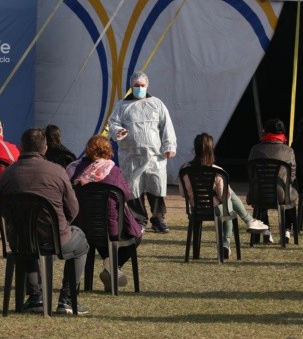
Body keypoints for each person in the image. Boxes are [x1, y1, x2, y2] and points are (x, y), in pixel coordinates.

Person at [0, 128, 90, 315]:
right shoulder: (57, 172)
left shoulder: (6, 175)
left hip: (19, 240)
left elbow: (3, 209)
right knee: (82, 243)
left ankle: (35, 297)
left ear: (21, 147)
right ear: (45, 149)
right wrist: (61, 228)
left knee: (28, 243)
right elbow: (73, 209)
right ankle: (67, 300)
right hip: (53, 239)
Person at [66, 135, 143, 291]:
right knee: (136, 234)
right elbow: (126, 195)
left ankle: (109, 267)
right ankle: (113, 266)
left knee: (98, 239)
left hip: (83, 227)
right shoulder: (114, 171)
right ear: (108, 152)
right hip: (111, 230)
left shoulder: (76, 170)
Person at [179, 133, 269, 259]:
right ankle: (227, 242)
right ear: (211, 149)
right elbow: (223, 198)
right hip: (216, 210)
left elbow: (183, 194)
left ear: (195, 148)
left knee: (229, 197)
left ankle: (249, 221)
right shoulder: (217, 171)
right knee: (229, 203)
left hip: (196, 209)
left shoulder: (184, 169)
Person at [108, 71, 177, 233]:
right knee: (134, 188)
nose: (139, 88)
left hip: (155, 155)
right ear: (131, 86)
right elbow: (113, 123)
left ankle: (158, 219)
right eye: (136, 86)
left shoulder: (157, 104)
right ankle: (138, 219)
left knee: (157, 187)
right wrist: (118, 131)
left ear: (147, 85)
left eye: (142, 85)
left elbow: (167, 126)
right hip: (131, 155)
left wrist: (169, 145)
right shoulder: (122, 106)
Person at [247, 118, 299, 244]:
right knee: (291, 193)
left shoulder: (255, 149)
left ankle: (266, 231)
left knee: (262, 193)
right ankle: (286, 230)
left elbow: (251, 173)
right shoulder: (288, 151)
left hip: (259, 194)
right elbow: (292, 174)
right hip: (282, 194)